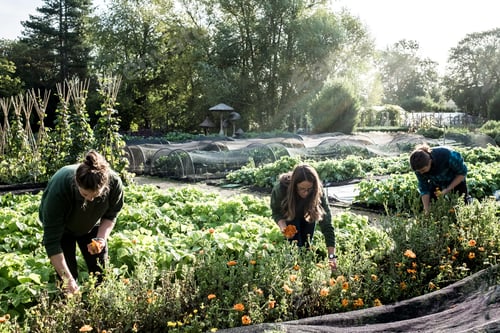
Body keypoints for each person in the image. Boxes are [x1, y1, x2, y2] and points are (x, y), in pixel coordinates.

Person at [39, 150, 124, 294]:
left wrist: (101, 238)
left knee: (100, 270)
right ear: (76, 182)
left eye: (96, 195)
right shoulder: (60, 187)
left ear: (105, 186)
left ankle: (100, 304)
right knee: (66, 277)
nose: (90, 199)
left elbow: (111, 215)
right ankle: (68, 309)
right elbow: (52, 242)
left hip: (91, 224)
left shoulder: (115, 184)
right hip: (63, 230)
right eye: (85, 194)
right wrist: (68, 279)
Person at [270, 164, 337, 270]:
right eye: (302, 189)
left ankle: (305, 271)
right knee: (295, 248)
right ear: (294, 185)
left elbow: (327, 224)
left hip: (308, 214)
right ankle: (293, 272)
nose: (306, 192)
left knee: (307, 245)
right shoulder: (281, 189)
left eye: (309, 189)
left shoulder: (317, 191)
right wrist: (283, 227)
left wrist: (332, 256)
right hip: (290, 215)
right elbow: (276, 212)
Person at [409, 143, 469, 213]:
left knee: (461, 205)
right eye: (419, 171)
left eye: (423, 170)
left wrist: (447, 189)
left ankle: (468, 201)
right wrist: (426, 209)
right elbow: (424, 187)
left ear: (430, 162)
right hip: (436, 183)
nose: (421, 173)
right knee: (432, 205)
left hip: (455, 180)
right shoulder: (418, 168)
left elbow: (462, 173)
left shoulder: (449, 156)